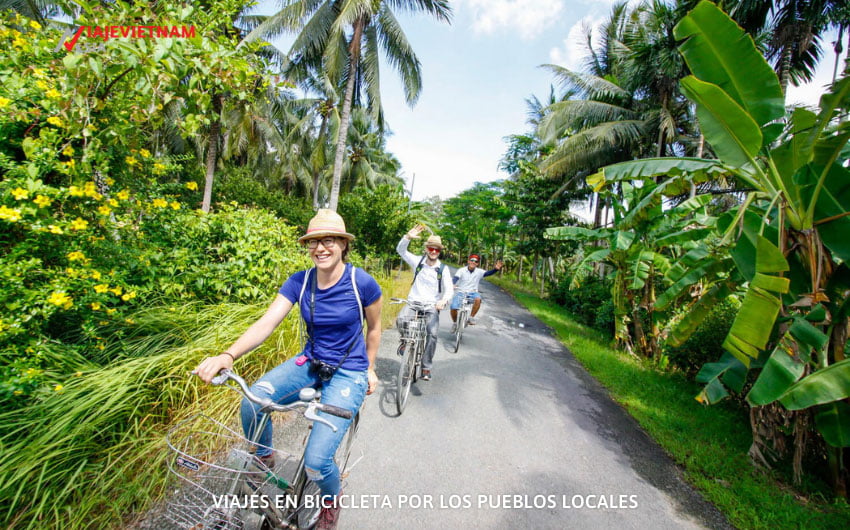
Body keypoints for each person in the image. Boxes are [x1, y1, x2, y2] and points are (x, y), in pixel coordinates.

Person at [193, 209, 381, 530]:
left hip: (349, 372)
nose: (321, 248)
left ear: (342, 245)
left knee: (318, 463)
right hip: (310, 364)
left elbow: (374, 328)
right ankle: (264, 456)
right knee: (254, 400)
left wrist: (371, 368)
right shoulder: (301, 280)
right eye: (314, 242)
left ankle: (330, 503)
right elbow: (267, 322)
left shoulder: (360, 282)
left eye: (329, 240)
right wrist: (229, 355)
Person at [395, 224, 453, 381]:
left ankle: (426, 366)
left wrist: (443, 300)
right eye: (431, 248)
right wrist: (407, 238)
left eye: (437, 249)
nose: (434, 252)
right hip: (413, 302)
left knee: (432, 334)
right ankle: (404, 341)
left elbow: (449, 290)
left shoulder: (443, 269)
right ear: (426, 249)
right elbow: (401, 251)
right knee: (401, 319)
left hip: (431, 306)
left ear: (439, 251)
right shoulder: (417, 261)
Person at [450, 255, 502, 331]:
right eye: (472, 260)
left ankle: (471, 317)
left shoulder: (479, 272)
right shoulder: (461, 270)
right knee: (453, 307)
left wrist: (496, 269)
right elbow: (455, 278)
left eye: (476, 261)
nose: (473, 262)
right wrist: (453, 284)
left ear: (477, 263)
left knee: (478, 299)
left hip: (473, 293)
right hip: (461, 292)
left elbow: (488, 273)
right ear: (468, 261)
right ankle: (455, 323)